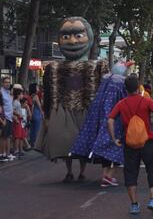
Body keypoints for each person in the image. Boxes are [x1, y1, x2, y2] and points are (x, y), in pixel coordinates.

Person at [34, 17, 109, 182]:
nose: (73, 41)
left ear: (88, 38)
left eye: (79, 35)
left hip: (86, 111)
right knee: (65, 144)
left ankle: (81, 171)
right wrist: (47, 116)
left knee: (83, 143)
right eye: (66, 36)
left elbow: (104, 93)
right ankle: (69, 171)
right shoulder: (53, 68)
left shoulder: (97, 66)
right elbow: (48, 93)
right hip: (63, 111)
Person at [108, 75, 153, 214]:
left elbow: (110, 120)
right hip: (147, 141)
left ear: (126, 89)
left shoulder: (121, 103)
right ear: (138, 87)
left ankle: (134, 204)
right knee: (152, 168)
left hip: (129, 143)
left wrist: (114, 138)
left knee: (131, 173)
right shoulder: (146, 100)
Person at [71, 61, 130, 188]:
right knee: (115, 146)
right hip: (114, 119)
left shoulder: (105, 83)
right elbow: (125, 100)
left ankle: (105, 176)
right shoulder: (120, 84)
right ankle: (108, 176)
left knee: (104, 144)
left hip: (98, 117)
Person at [0, 77, 15, 162]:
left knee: (8, 136)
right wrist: (2, 119)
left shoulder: (9, 92)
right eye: (6, 82)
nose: (8, 84)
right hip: (4, 118)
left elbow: (10, 105)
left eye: (9, 82)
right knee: (3, 137)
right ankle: (2, 155)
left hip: (10, 117)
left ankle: (7, 154)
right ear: (2, 83)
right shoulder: (1, 92)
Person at [12, 87, 25, 156]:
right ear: (18, 95)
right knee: (17, 136)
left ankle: (20, 149)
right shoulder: (15, 102)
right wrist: (18, 115)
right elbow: (12, 110)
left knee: (20, 135)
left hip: (20, 120)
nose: (22, 95)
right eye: (21, 94)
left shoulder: (18, 102)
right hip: (17, 120)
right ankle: (16, 150)